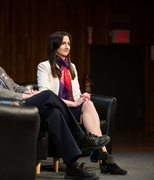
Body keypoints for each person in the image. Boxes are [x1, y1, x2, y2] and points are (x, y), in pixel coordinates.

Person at [0, 20, 110, 180]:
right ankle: (80, 136)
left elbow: (14, 86)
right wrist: (23, 96)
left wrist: (27, 92)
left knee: (53, 113)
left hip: (20, 104)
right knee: (48, 95)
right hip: (8, 107)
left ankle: (72, 166)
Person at [37, 31, 127, 175]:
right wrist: (73, 104)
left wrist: (82, 98)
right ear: (55, 46)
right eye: (64, 43)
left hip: (72, 106)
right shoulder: (44, 66)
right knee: (82, 105)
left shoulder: (71, 67)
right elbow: (46, 94)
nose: (67, 47)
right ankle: (105, 158)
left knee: (88, 103)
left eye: (69, 44)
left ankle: (101, 152)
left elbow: (76, 94)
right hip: (58, 109)